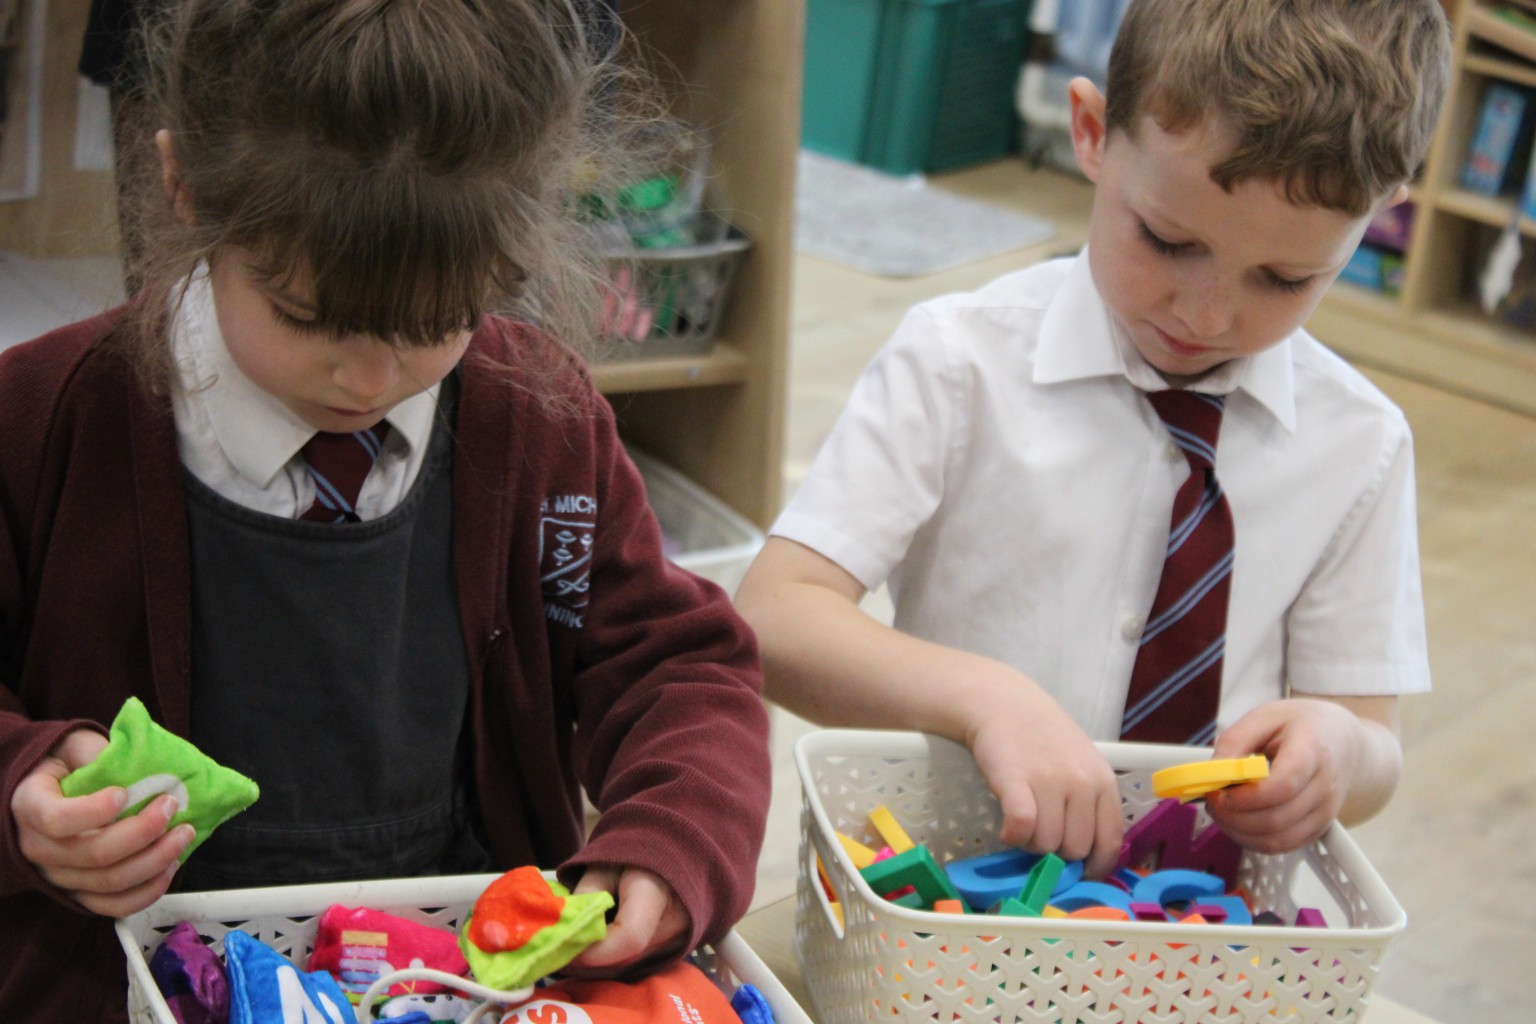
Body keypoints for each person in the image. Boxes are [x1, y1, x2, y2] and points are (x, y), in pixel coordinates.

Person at [0, 1, 770, 1019]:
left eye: (433, 321)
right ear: (183, 183)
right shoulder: (43, 420)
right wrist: (22, 782)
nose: (370, 376)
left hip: (450, 983)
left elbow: (676, 664)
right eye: (310, 317)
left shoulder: (537, 419)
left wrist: (673, 838)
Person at [737, 0, 1448, 880]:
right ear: (1092, 133)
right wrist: (983, 700)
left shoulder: (1362, 444)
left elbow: (1373, 742)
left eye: (1284, 278)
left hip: (1199, 931)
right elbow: (773, 616)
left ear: (1379, 214)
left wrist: (1338, 751)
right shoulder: (960, 360)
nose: (1206, 312)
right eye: (1166, 239)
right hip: (950, 895)